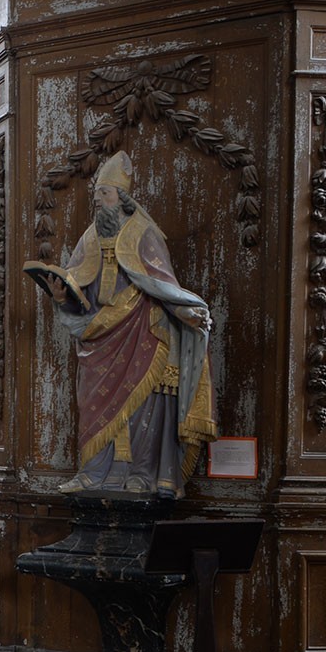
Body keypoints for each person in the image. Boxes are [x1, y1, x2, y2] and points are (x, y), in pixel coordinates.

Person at [33, 151, 217, 497]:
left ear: (122, 197)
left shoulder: (145, 234)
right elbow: (77, 288)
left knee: (144, 405)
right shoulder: (90, 237)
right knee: (94, 403)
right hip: (99, 335)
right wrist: (60, 296)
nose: (98, 200)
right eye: (96, 194)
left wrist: (186, 313)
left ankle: (142, 475)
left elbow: (162, 284)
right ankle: (93, 472)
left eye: (104, 193)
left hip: (142, 328)